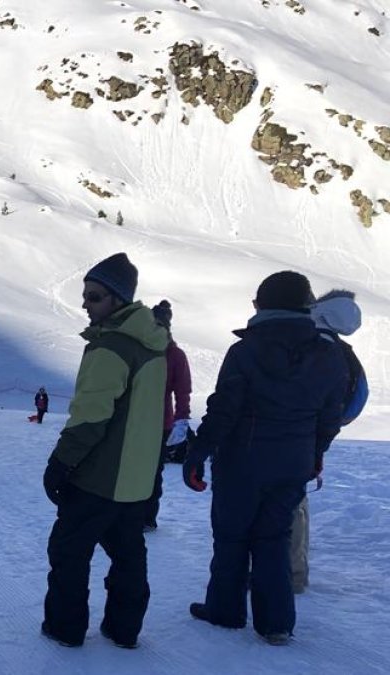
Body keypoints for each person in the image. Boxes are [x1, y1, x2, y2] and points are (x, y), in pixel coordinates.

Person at [182, 271, 348, 645]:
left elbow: (223, 409)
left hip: (242, 461)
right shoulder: (328, 353)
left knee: (231, 535)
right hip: (293, 463)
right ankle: (275, 623)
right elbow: (330, 416)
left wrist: (198, 453)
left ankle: (224, 611)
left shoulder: (245, 350)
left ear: (261, 306)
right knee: (274, 537)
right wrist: (315, 453)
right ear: (306, 306)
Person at [41, 252, 168, 649]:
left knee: (69, 551)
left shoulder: (112, 347)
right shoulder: (153, 345)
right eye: (85, 295)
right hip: (134, 481)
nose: (85, 304)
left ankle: (65, 628)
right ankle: (124, 629)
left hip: (98, 477)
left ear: (118, 300)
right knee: (128, 555)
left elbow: (90, 416)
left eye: (94, 296)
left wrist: (60, 463)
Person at [291, 289, 367, 593]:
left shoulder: (306, 341)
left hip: (289, 434)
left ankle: (286, 576)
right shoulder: (342, 350)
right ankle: (295, 573)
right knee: (297, 503)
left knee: (282, 506)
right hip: (316, 438)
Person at [143, 300, 193, 532]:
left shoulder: (174, 355)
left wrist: (181, 420)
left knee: (152, 473)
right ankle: (132, 514)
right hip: (138, 421)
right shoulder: (142, 349)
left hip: (160, 424)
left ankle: (146, 517)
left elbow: (183, 391)